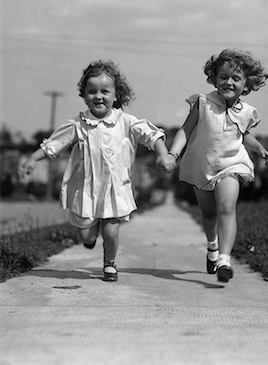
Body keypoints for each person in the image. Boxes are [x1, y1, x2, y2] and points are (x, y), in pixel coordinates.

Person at [19, 60, 171, 282]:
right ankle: (90, 237)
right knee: (86, 234)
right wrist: (33, 158)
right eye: (92, 91)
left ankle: (109, 264)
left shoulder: (126, 122)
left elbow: (152, 134)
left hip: (116, 188)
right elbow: (54, 143)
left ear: (116, 95)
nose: (98, 96)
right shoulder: (79, 124)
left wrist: (163, 153)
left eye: (104, 91)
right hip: (87, 190)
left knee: (111, 232)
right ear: (84, 95)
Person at [161, 49, 268, 283]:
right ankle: (212, 246)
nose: (229, 82)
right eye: (223, 77)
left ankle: (224, 258)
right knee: (209, 213)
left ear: (246, 84)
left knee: (226, 207)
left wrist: (258, 147)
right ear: (214, 78)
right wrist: (173, 153)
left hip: (231, 164)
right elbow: (185, 130)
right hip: (201, 165)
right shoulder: (202, 103)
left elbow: (243, 134)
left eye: (236, 78)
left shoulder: (246, 112)